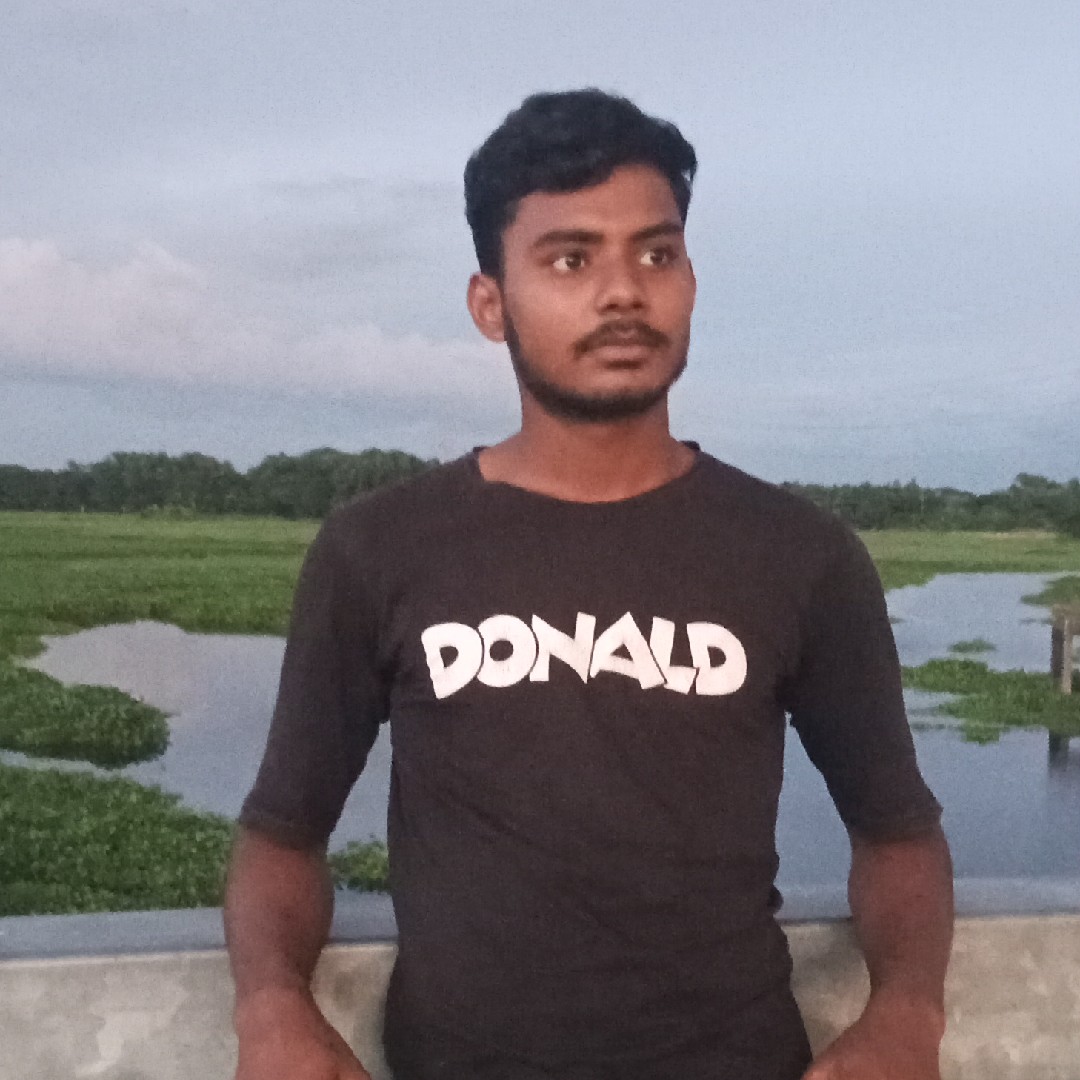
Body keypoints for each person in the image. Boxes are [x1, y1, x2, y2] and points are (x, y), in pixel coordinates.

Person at [224, 88, 954, 1080]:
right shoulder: (378, 549)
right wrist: (273, 1008)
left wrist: (907, 1014)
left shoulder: (801, 556)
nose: (623, 293)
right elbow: (282, 834)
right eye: (571, 259)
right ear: (491, 304)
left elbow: (898, 834)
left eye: (656, 254)